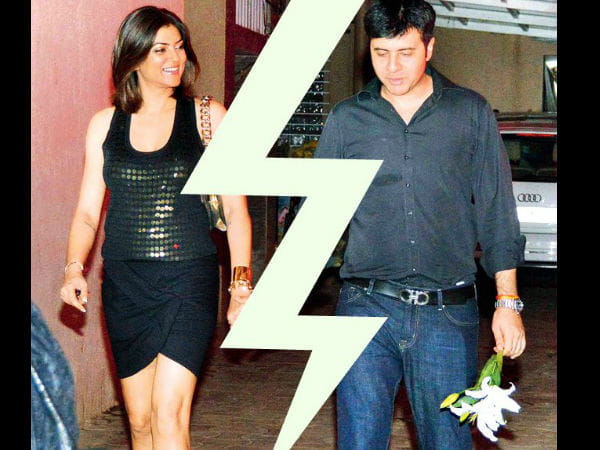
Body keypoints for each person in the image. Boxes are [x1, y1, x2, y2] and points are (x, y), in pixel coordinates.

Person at [313, 1, 526, 449]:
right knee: (358, 442)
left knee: (448, 442)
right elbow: (315, 219)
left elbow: (496, 210)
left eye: (405, 53)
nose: (392, 67)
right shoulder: (347, 120)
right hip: (365, 305)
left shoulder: (469, 112)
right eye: (381, 53)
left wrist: (507, 301)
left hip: (446, 312)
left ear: (429, 47)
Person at [59, 6, 252, 450]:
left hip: (188, 280)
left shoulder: (207, 116)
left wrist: (240, 286)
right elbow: (88, 212)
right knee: (141, 421)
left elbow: (235, 212)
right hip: (125, 284)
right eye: (161, 49)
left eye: (179, 47)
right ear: (134, 57)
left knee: (168, 416)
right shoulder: (104, 125)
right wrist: (73, 268)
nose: (175, 58)